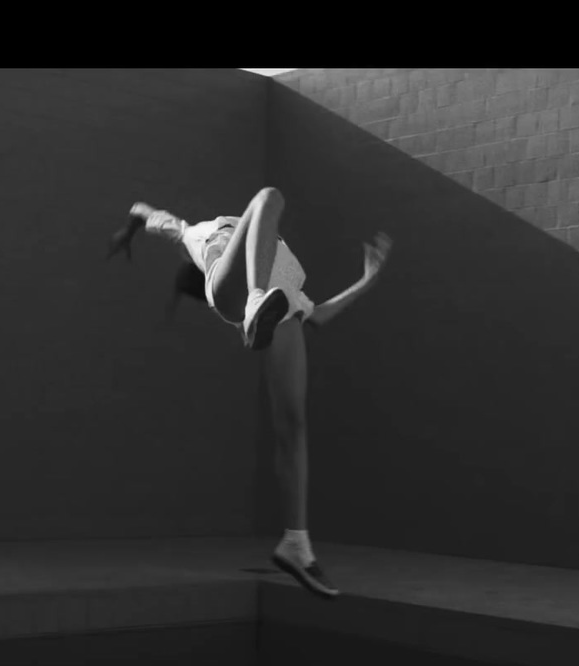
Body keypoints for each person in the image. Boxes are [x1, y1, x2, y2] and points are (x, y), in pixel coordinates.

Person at [109, 187, 392, 598]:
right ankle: (255, 303)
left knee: (293, 426)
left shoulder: (285, 267)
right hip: (234, 290)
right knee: (268, 197)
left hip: (283, 308)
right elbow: (158, 218)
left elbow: (321, 315)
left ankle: (297, 544)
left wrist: (367, 281)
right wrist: (134, 224)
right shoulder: (199, 234)